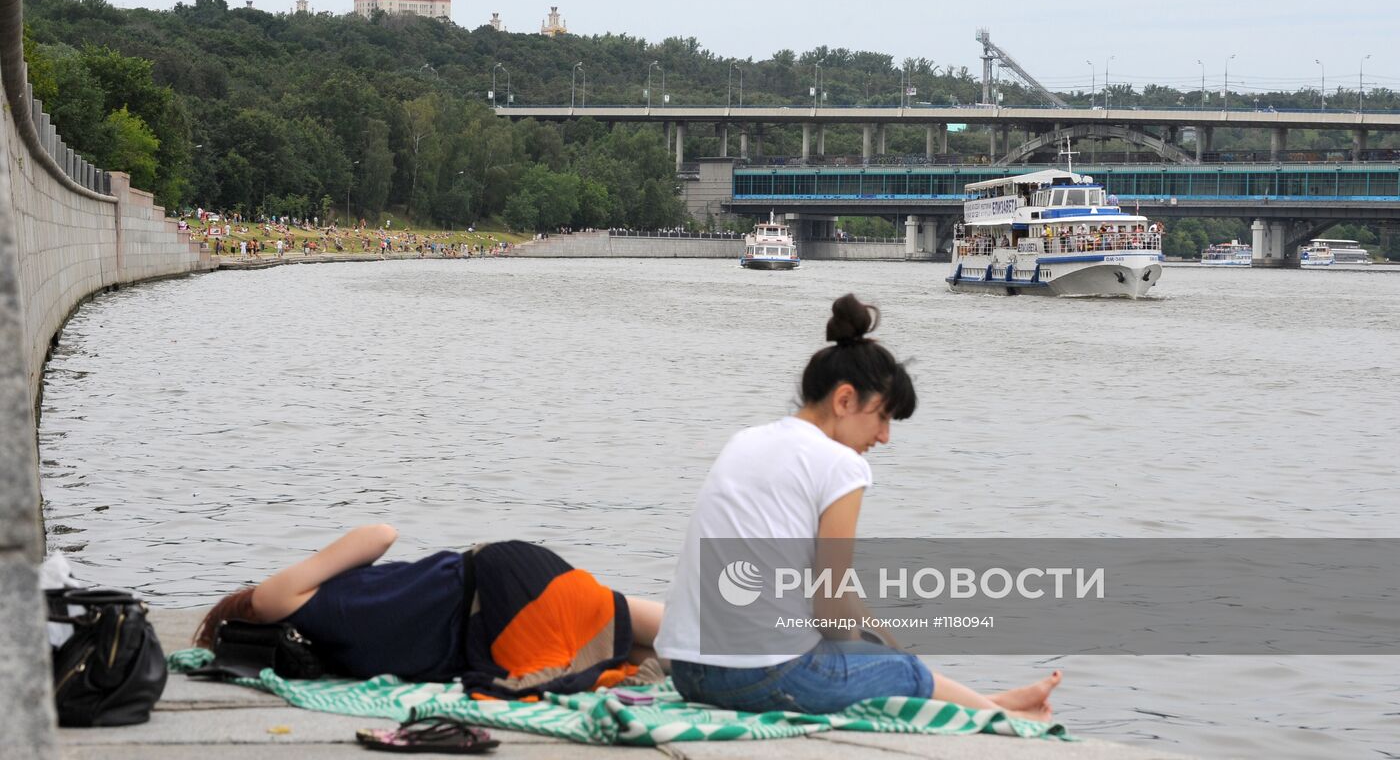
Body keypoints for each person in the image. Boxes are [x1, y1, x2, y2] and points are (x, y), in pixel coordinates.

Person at [655, 295, 1060, 720]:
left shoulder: (746, 440)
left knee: (887, 659)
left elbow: (835, 593)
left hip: (687, 671)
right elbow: (831, 609)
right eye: (882, 417)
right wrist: (882, 660)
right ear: (845, 400)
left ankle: (991, 703)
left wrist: (880, 648)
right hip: (762, 677)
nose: (884, 436)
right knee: (897, 670)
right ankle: (1003, 716)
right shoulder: (842, 464)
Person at [194, 524, 664, 697]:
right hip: (484, 621)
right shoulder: (318, 649)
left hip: (493, 588)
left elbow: (382, 532)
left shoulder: (275, 603)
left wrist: (310, 573)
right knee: (630, 644)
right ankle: (728, 646)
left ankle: (732, 633)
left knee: (633, 627)